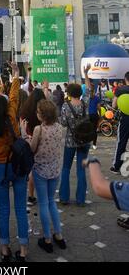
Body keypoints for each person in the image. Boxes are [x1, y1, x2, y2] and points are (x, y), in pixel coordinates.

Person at [0, 61, 29, 262]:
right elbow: (13, 95)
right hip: (18, 166)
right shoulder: (12, 115)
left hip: (1, 169)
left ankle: (4, 248)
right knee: (20, 208)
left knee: (3, 209)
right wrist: (16, 73)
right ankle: (23, 249)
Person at [21, 99, 66, 254]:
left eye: (38, 112)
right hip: (55, 170)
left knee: (43, 204)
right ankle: (58, 235)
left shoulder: (39, 129)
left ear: (43, 115)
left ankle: (47, 239)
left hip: (40, 170)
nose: (36, 113)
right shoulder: (60, 128)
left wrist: (24, 134)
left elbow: (32, 148)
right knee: (51, 201)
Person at [59, 74, 91, 206]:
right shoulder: (85, 103)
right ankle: (81, 199)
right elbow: (88, 90)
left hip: (70, 141)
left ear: (70, 94)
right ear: (80, 93)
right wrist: (86, 74)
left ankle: (64, 198)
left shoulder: (66, 107)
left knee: (66, 168)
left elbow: (64, 124)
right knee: (81, 170)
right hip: (85, 141)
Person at [20, 88, 46, 207]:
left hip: (29, 140)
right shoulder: (44, 110)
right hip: (43, 139)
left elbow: (22, 125)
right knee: (42, 168)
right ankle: (43, 194)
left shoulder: (25, 110)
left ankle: (31, 195)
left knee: (32, 169)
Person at [111, 71, 129, 173]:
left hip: (125, 119)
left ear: (125, 79)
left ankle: (117, 166)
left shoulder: (120, 89)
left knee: (121, 142)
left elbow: (114, 105)